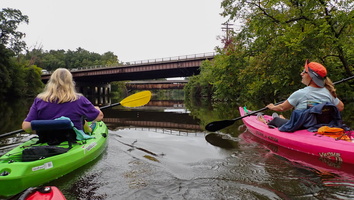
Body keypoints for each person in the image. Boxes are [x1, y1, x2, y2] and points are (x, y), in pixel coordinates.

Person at [259, 60, 344, 130]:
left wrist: (272, 107)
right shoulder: (328, 92)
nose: (301, 74)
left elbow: (282, 107)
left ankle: (264, 122)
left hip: (302, 127)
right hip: (321, 126)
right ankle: (284, 119)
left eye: (304, 72)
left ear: (311, 76)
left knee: (276, 120)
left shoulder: (301, 93)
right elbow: (340, 107)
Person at [22, 68, 104, 133]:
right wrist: (97, 109)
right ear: (70, 82)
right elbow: (99, 117)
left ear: (51, 81)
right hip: (72, 141)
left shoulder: (39, 100)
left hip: (46, 140)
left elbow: (26, 127)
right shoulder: (79, 99)